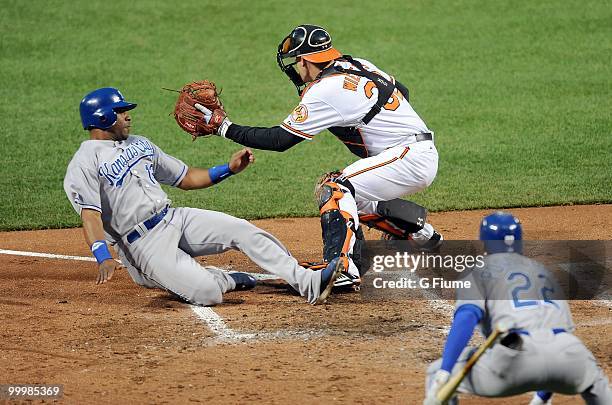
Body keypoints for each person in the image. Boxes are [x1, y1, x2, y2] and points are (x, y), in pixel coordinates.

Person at [195, 24, 443, 289]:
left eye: (296, 61)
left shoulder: (326, 90)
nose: (296, 68)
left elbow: (280, 140)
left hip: (410, 157)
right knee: (350, 198)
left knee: (335, 189)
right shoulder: (358, 64)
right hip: (414, 151)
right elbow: (402, 91)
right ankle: (420, 234)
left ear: (304, 60)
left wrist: (225, 128)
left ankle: (343, 269)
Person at [63, 87, 342, 306]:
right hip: (142, 245)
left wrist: (228, 169)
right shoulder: (83, 163)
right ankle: (222, 279)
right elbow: (90, 214)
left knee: (242, 230)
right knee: (209, 294)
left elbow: (184, 178)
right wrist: (102, 255)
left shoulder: (140, 143)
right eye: (121, 111)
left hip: (174, 219)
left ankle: (308, 283)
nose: (128, 115)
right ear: (102, 117)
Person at [423, 211, 612, 405]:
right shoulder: (543, 272)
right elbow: (553, 348)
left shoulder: (477, 270)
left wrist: (444, 372)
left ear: (484, 241)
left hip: (515, 360)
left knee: (435, 372)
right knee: (593, 378)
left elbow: (466, 318)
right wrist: (541, 398)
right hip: (570, 356)